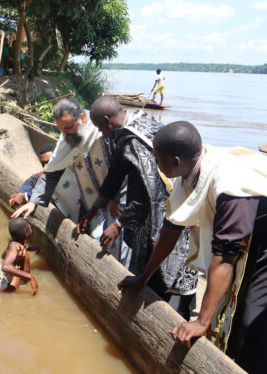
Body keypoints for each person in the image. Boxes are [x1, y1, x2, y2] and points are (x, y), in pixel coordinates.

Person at [118, 121, 267, 374]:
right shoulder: (189, 171)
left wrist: (201, 322)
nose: (157, 166)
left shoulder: (229, 184)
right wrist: (142, 277)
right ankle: (239, 366)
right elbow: (170, 231)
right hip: (258, 231)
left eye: (158, 161)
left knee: (259, 314)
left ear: (175, 160)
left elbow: (224, 257)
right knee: (238, 305)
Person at [77, 96, 198, 317]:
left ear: (107, 120)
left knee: (165, 269)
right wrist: (94, 208)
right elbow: (116, 171)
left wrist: (119, 224)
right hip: (163, 207)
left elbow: (148, 194)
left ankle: (165, 316)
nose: (102, 134)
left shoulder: (134, 141)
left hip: (166, 212)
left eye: (100, 128)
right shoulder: (137, 122)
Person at [11, 98, 119, 241]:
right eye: (61, 129)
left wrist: (114, 197)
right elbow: (51, 171)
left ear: (82, 118)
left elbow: (122, 168)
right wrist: (32, 201)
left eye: (68, 127)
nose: (65, 133)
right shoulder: (66, 139)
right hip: (92, 205)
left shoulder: (102, 130)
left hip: (116, 202)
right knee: (97, 238)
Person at [8, 143, 55, 208]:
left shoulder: (64, 175)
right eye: (43, 163)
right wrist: (22, 192)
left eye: (48, 162)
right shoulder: (46, 173)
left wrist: (25, 195)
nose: (45, 166)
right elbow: (32, 180)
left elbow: (51, 197)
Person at [1, 217, 39, 295]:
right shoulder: (15, 247)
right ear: (26, 232)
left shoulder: (14, 244)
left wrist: (28, 248)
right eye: (30, 227)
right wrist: (30, 277)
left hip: (17, 283)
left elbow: (3, 256)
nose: (31, 228)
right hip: (16, 287)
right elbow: (5, 266)